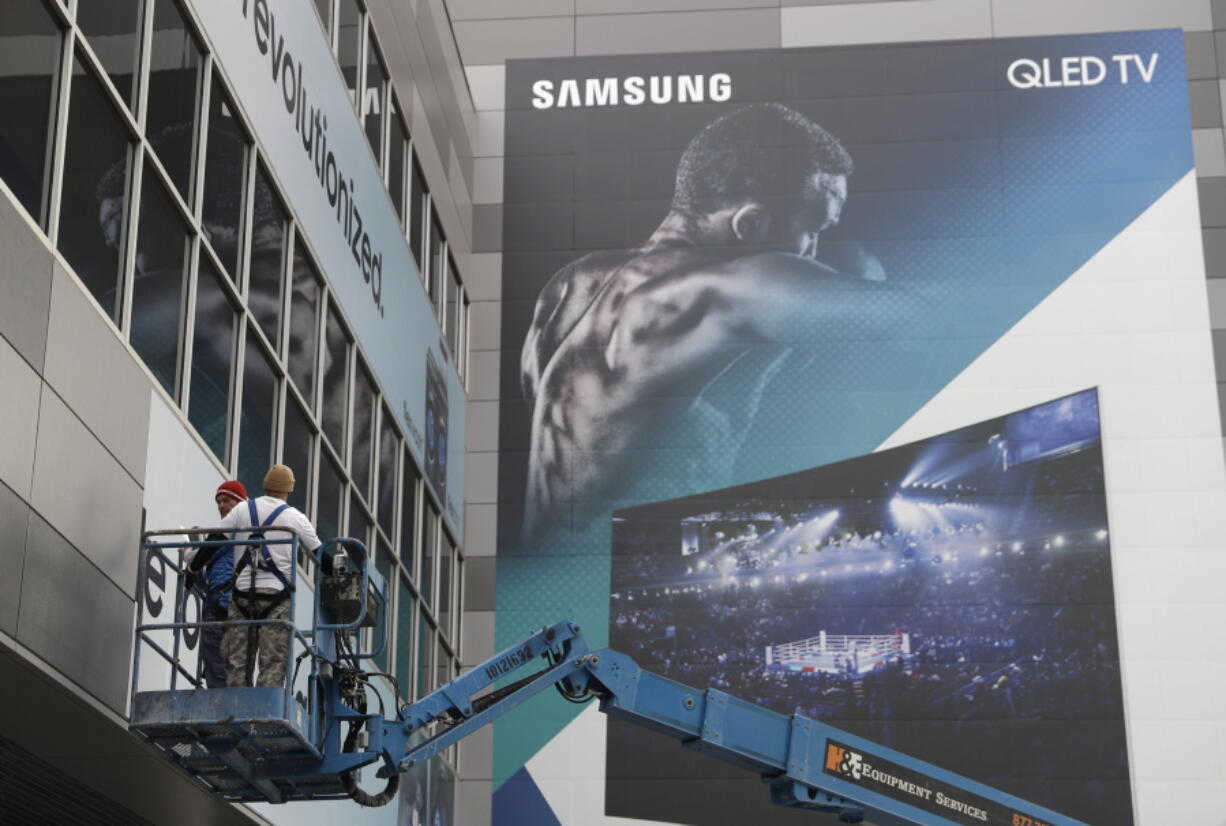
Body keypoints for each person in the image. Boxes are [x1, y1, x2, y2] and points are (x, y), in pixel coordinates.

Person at [520, 102, 911, 537]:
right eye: (815, 229)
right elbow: (925, 320)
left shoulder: (567, 288)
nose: (813, 253)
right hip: (614, 580)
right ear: (751, 224)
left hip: (547, 583)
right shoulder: (706, 298)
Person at [219, 464, 321, 688]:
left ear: (265, 485)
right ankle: (265, 711)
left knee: (237, 662)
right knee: (273, 663)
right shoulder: (296, 518)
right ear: (289, 490)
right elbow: (321, 556)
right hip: (276, 598)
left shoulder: (242, 510)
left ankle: (236, 707)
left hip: (241, 595)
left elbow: (213, 541)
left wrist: (193, 563)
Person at [184, 480, 247, 688]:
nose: (221, 505)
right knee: (232, 666)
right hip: (232, 604)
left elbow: (204, 555)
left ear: (238, 502)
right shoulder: (248, 529)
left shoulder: (231, 530)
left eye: (226, 500)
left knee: (217, 667)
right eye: (218, 501)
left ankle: (222, 709)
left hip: (221, 605)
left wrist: (188, 555)